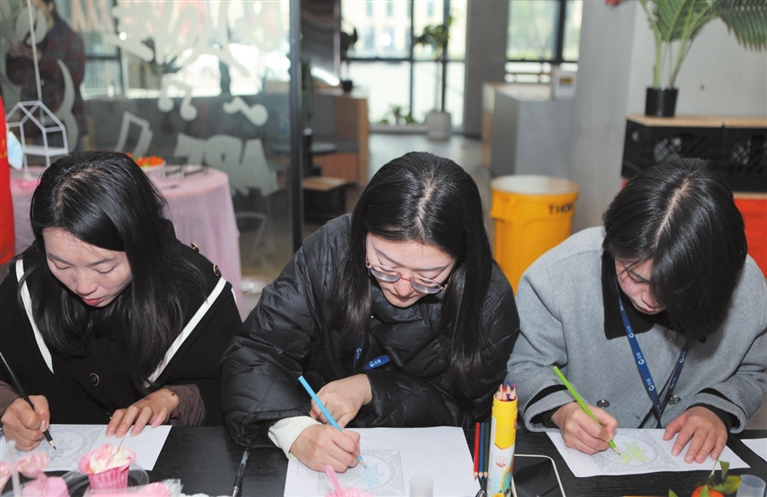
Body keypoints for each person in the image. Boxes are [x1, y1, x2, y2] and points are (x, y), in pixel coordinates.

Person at [222, 152, 519, 472]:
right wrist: (295, 431)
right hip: (311, 422)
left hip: (425, 461)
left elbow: (469, 411)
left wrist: (373, 388)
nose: (403, 288)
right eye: (386, 265)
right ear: (362, 230)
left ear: (462, 258)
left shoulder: (488, 300)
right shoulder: (332, 249)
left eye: (428, 276)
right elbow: (257, 351)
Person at [507, 158, 767, 465]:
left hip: (687, 461)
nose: (649, 300)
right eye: (634, 276)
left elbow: (754, 371)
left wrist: (714, 409)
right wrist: (562, 411)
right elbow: (522, 363)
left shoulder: (747, 287)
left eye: (673, 289)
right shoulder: (559, 275)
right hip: (582, 461)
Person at [0, 151, 242, 451]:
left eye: (104, 268)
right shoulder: (28, 282)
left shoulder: (196, 293)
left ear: (140, 242)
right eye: (61, 264)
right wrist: (8, 405)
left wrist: (175, 399)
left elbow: (237, 389)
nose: (83, 286)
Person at [5, 0, 86, 150]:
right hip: (36, 122)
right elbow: (17, 79)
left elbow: (75, 76)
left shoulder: (69, 37)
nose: (30, 14)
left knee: (70, 163)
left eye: (36, 8)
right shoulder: (28, 39)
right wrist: (13, 58)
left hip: (64, 119)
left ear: (50, 6)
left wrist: (42, 59)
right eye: (26, 9)